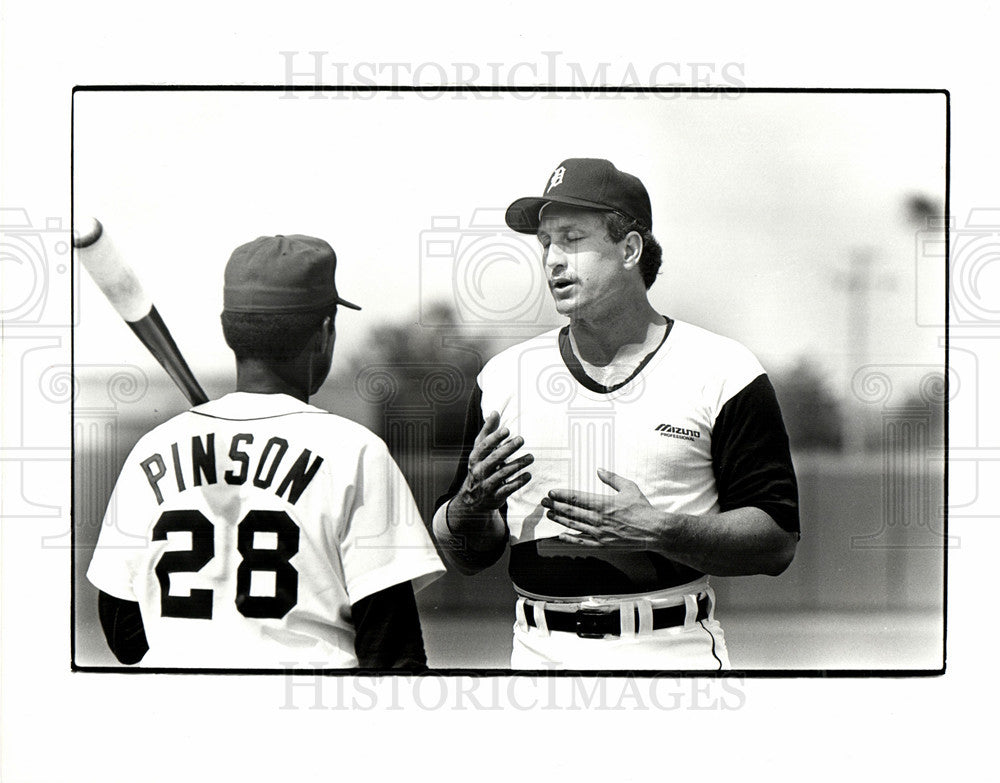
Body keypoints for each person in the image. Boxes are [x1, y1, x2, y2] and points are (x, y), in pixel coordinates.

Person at [433, 158, 799, 670]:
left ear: (629, 249)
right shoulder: (503, 378)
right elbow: (464, 556)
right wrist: (470, 502)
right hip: (538, 654)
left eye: (571, 238)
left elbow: (777, 541)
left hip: (671, 651)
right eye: (545, 243)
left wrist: (658, 528)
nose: (552, 260)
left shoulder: (724, 369)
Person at [87, 234, 444, 669]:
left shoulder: (152, 450)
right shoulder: (354, 452)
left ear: (228, 329)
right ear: (325, 332)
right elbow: (392, 653)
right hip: (308, 715)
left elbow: (124, 633)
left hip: (176, 716)